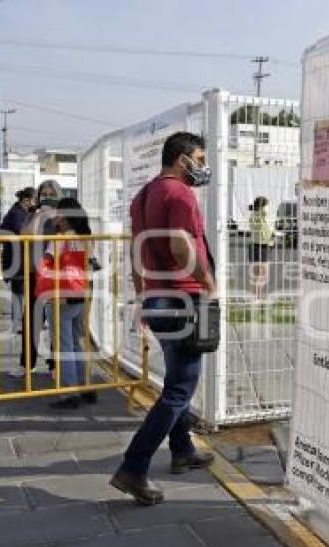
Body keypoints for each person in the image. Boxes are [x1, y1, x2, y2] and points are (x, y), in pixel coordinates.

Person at [111, 132, 216, 506]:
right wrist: (208, 281)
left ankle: (183, 449)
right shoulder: (181, 194)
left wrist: (143, 294)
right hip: (183, 298)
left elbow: (137, 251)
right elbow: (179, 243)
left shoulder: (143, 196)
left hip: (157, 298)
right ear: (182, 158)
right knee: (178, 391)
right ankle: (133, 468)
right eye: (200, 159)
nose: (203, 167)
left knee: (177, 379)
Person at [37, 197, 97, 409]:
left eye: (57, 213)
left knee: (63, 346)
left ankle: (69, 392)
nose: (54, 217)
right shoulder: (85, 238)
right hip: (81, 294)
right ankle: (85, 385)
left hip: (59, 297)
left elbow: (45, 265)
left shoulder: (58, 240)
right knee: (77, 342)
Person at [19, 180, 61, 377]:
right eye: (44, 193)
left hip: (56, 275)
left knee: (56, 320)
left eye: (51, 194)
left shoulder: (63, 215)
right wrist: (39, 214)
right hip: (35, 274)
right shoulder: (33, 215)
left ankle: (55, 365)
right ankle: (27, 364)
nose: (47, 197)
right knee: (31, 319)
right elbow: (24, 234)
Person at [0, 187, 35, 346]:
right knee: (19, 293)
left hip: (18, 259)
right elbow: (22, 233)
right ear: (27, 200)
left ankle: (19, 323)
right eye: (34, 200)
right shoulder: (18, 214)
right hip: (16, 260)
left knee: (21, 292)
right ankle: (16, 324)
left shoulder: (20, 211)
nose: (35, 203)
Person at [247, 196, 274, 301]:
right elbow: (265, 212)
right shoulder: (260, 215)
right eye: (267, 206)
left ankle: (257, 297)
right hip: (262, 246)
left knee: (257, 275)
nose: (269, 208)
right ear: (263, 207)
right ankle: (257, 297)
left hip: (255, 245)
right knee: (263, 275)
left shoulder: (254, 215)